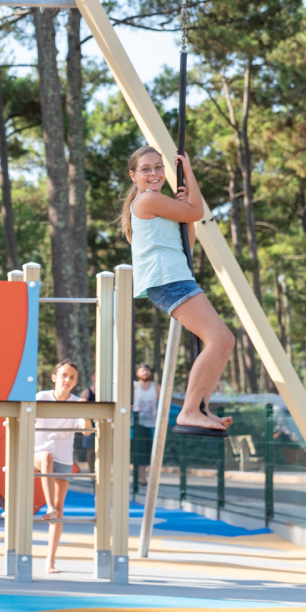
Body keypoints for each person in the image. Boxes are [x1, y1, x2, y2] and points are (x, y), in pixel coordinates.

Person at [120, 146, 234, 433]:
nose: (155, 173)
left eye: (159, 167)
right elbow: (196, 211)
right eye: (146, 169)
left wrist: (183, 211)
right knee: (218, 339)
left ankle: (201, 408)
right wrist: (190, 174)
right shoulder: (147, 201)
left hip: (176, 277)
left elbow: (188, 243)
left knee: (226, 341)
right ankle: (189, 410)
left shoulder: (159, 205)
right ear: (134, 176)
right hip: (167, 280)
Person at [35, 360, 89, 575]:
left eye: (72, 377)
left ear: (76, 382)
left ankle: (50, 561)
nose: (68, 380)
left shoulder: (77, 402)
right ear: (54, 377)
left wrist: (84, 411)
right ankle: (49, 507)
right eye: (64, 375)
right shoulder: (41, 397)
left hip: (64, 456)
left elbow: (86, 432)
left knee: (60, 509)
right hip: (39, 451)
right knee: (46, 457)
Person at [132, 364, 159, 483]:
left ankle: (146, 476)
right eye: (142, 370)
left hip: (152, 424)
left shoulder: (156, 386)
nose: (145, 372)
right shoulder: (134, 386)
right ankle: (141, 477)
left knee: (150, 451)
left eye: (147, 370)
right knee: (140, 451)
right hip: (138, 423)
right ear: (137, 373)